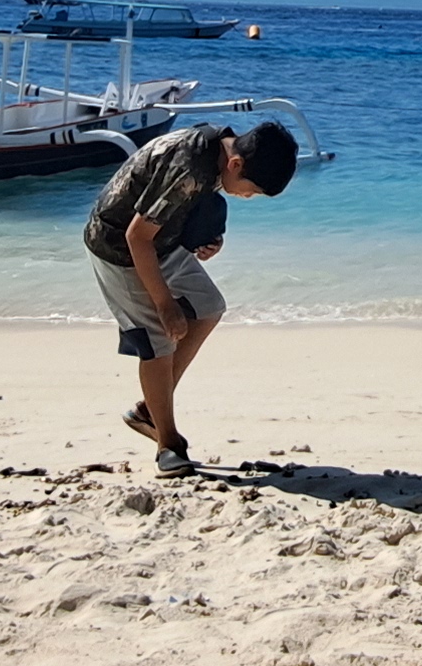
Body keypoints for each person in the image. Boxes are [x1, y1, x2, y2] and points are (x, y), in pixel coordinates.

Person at [85, 119, 299, 475]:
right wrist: (165, 304)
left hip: (162, 243)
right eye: (252, 190)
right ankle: (167, 445)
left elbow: (187, 205)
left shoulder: (224, 148)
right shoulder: (189, 165)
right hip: (120, 247)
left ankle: (149, 410)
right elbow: (136, 237)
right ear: (236, 164)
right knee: (157, 338)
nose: (248, 197)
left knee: (208, 308)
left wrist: (209, 238)